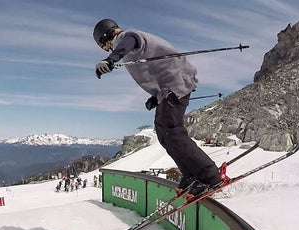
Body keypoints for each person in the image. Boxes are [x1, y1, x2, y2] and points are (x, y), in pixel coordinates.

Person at [93, 19, 226, 197]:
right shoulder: (129, 40)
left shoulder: (126, 37)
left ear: (105, 38)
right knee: (164, 134)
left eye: (104, 46)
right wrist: (155, 97)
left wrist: (110, 59)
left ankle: (210, 177)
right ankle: (191, 174)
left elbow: (130, 41)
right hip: (168, 88)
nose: (107, 49)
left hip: (175, 84)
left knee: (172, 132)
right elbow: (156, 68)